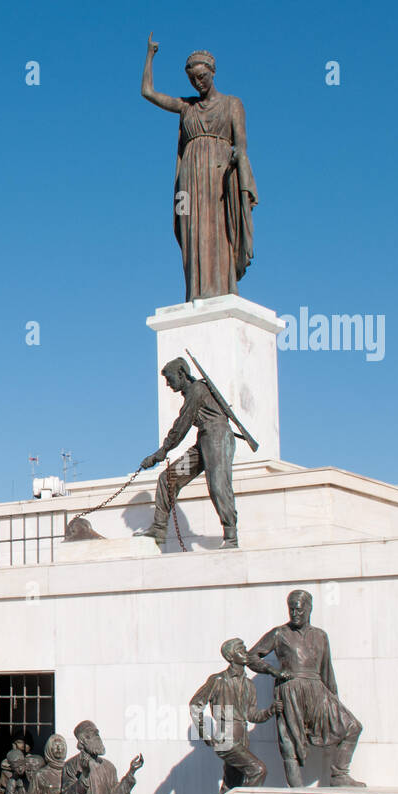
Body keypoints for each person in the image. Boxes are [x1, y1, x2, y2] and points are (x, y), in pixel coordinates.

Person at [141, 36, 257, 302]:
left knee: (219, 229)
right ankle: (196, 291)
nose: (198, 82)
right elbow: (147, 92)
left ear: (213, 73)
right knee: (192, 229)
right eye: (193, 79)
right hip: (190, 177)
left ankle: (224, 288)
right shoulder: (186, 107)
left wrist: (236, 157)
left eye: (202, 76)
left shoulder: (232, 104)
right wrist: (150, 55)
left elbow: (241, 144)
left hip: (220, 173)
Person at [247, 590, 365, 788]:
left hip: (317, 689)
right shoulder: (279, 633)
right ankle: (297, 789)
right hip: (290, 690)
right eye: (291, 609)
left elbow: (327, 669)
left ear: (309, 609)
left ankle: (339, 774)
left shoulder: (320, 636)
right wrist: (273, 671)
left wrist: (333, 698)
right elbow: (251, 656)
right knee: (289, 742)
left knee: (352, 726)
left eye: (299, 610)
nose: (294, 614)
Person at [136, 358, 238, 548]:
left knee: (218, 485)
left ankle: (231, 536)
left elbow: (182, 425)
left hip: (217, 437)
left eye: (169, 378)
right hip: (204, 440)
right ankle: (159, 528)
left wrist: (161, 452)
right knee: (168, 479)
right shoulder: (191, 392)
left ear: (182, 374)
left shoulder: (197, 390)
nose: (167, 383)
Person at [189, 638, 278, 791]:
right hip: (226, 736)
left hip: (242, 738)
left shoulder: (249, 685)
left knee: (232, 784)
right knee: (258, 770)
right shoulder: (218, 680)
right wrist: (206, 734)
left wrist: (271, 710)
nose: (245, 652)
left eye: (244, 648)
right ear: (230, 656)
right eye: (240, 649)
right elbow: (195, 705)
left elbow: (252, 715)